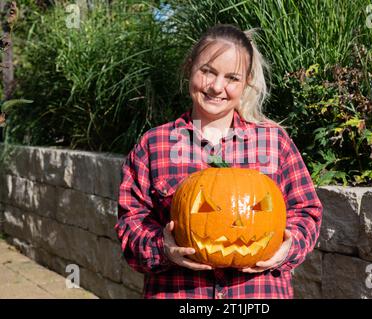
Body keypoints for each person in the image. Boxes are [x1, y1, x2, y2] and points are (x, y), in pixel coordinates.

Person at [115, 24, 323, 299]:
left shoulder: (275, 142)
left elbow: (306, 211)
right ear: (190, 67)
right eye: (208, 71)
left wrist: (289, 246)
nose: (216, 87)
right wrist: (162, 249)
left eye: (232, 78)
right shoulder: (154, 145)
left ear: (246, 81)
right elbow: (132, 222)